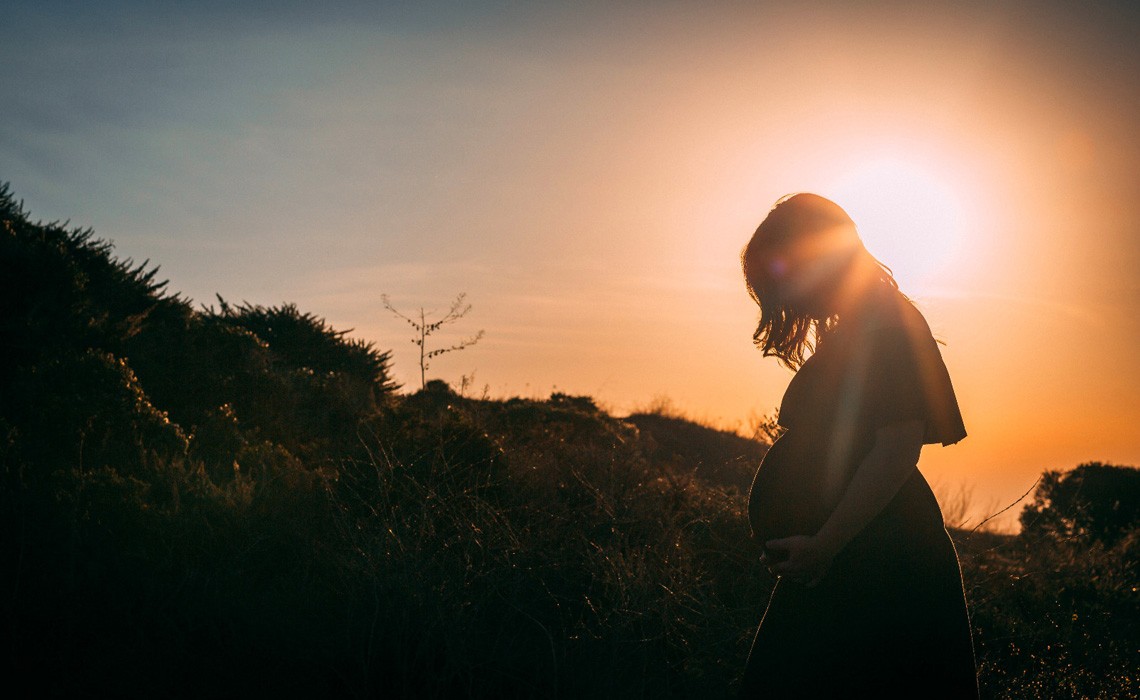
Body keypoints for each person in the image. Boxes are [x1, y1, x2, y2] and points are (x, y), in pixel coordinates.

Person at [738, 193, 979, 698]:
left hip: (876, 560)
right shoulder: (861, 324)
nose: (784, 295)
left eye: (783, 275)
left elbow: (895, 449)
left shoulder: (887, 325)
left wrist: (824, 546)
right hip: (844, 557)